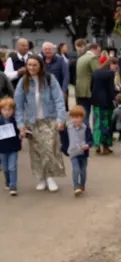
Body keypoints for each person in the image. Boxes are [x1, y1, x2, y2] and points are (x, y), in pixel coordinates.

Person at [14, 54, 66, 192]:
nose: (32, 67)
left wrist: (61, 119)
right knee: (36, 151)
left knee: (49, 148)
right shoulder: (23, 82)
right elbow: (18, 106)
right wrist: (20, 125)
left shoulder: (49, 79)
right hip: (32, 122)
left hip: (49, 119)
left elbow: (59, 99)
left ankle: (50, 177)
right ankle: (41, 178)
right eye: (29, 65)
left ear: (40, 66)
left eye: (34, 65)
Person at [63, 105, 93, 196]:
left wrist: (88, 145)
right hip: (73, 152)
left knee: (83, 170)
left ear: (82, 117)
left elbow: (90, 140)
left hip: (83, 153)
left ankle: (82, 184)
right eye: (73, 117)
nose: (75, 120)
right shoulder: (68, 127)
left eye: (78, 117)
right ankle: (76, 186)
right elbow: (63, 137)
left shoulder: (86, 128)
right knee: (76, 169)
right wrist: (64, 148)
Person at [91, 57, 118, 155]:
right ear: (111, 64)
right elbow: (111, 89)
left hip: (96, 101)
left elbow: (92, 86)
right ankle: (105, 146)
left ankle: (97, 145)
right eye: (115, 66)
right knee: (106, 124)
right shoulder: (110, 74)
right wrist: (115, 98)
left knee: (97, 123)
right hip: (106, 102)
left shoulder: (95, 72)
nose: (116, 68)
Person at [76, 43, 101, 127]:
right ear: (94, 49)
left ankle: (83, 135)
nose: (99, 53)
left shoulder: (81, 58)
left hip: (79, 89)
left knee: (83, 114)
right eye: (99, 50)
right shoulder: (92, 58)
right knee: (87, 115)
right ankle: (88, 137)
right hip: (88, 90)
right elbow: (98, 73)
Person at [0, 98, 21, 196]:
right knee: (5, 168)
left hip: (13, 147)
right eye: (4, 109)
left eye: (9, 110)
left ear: (13, 110)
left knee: (12, 167)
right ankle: (8, 181)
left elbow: (20, 132)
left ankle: (13, 186)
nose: (7, 112)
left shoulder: (16, 121)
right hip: (2, 148)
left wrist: (22, 133)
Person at [41, 42, 70, 111]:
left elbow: (66, 76)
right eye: (45, 49)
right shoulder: (40, 61)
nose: (47, 51)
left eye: (49, 49)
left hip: (58, 91)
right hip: (44, 92)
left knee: (59, 112)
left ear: (53, 50)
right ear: (42, 50)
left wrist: (63, 91)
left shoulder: (60, 60)